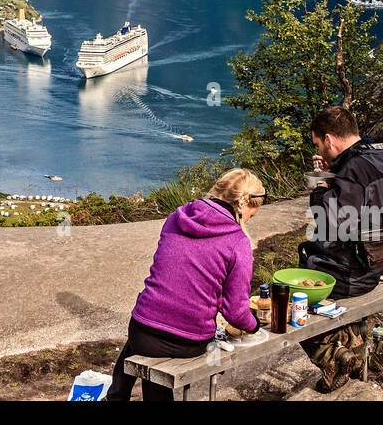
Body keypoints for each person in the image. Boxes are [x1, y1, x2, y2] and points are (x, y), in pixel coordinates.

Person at [105, 168, 265, 401]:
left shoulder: (176, 216)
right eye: (253, 214)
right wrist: (254, 326)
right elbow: (236, 312)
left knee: (147, 336)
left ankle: (116, 396)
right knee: (161, 347)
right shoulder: (237, 241)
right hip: (187, 341)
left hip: (140, 328)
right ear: (245, 206)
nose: (250, 220)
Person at [297, 105, 383, 391]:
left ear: (330, 139)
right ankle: (352, 351)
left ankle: (337, 359)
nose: (320, 148)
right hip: (378, 262)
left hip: (352, 274)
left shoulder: (353, 169)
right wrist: (336, 172)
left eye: (319, 143)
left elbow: (332, 221)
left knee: (290, 298)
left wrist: (320, 189)